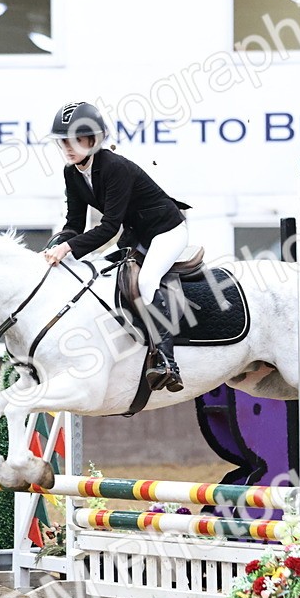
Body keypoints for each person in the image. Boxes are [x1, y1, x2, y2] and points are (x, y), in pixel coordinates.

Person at [42, 100, 190, 393]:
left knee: (147, 281)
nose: (68, 147)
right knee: (102, 276)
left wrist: (69, 248)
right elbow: (75, 222)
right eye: (63, 141)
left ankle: (166, 360)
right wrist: (58, 244)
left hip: (166, 231)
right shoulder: (71, 173)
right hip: (136, 237)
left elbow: (110, 226)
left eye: (75, 140)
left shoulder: (115, 167)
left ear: (93, 140)